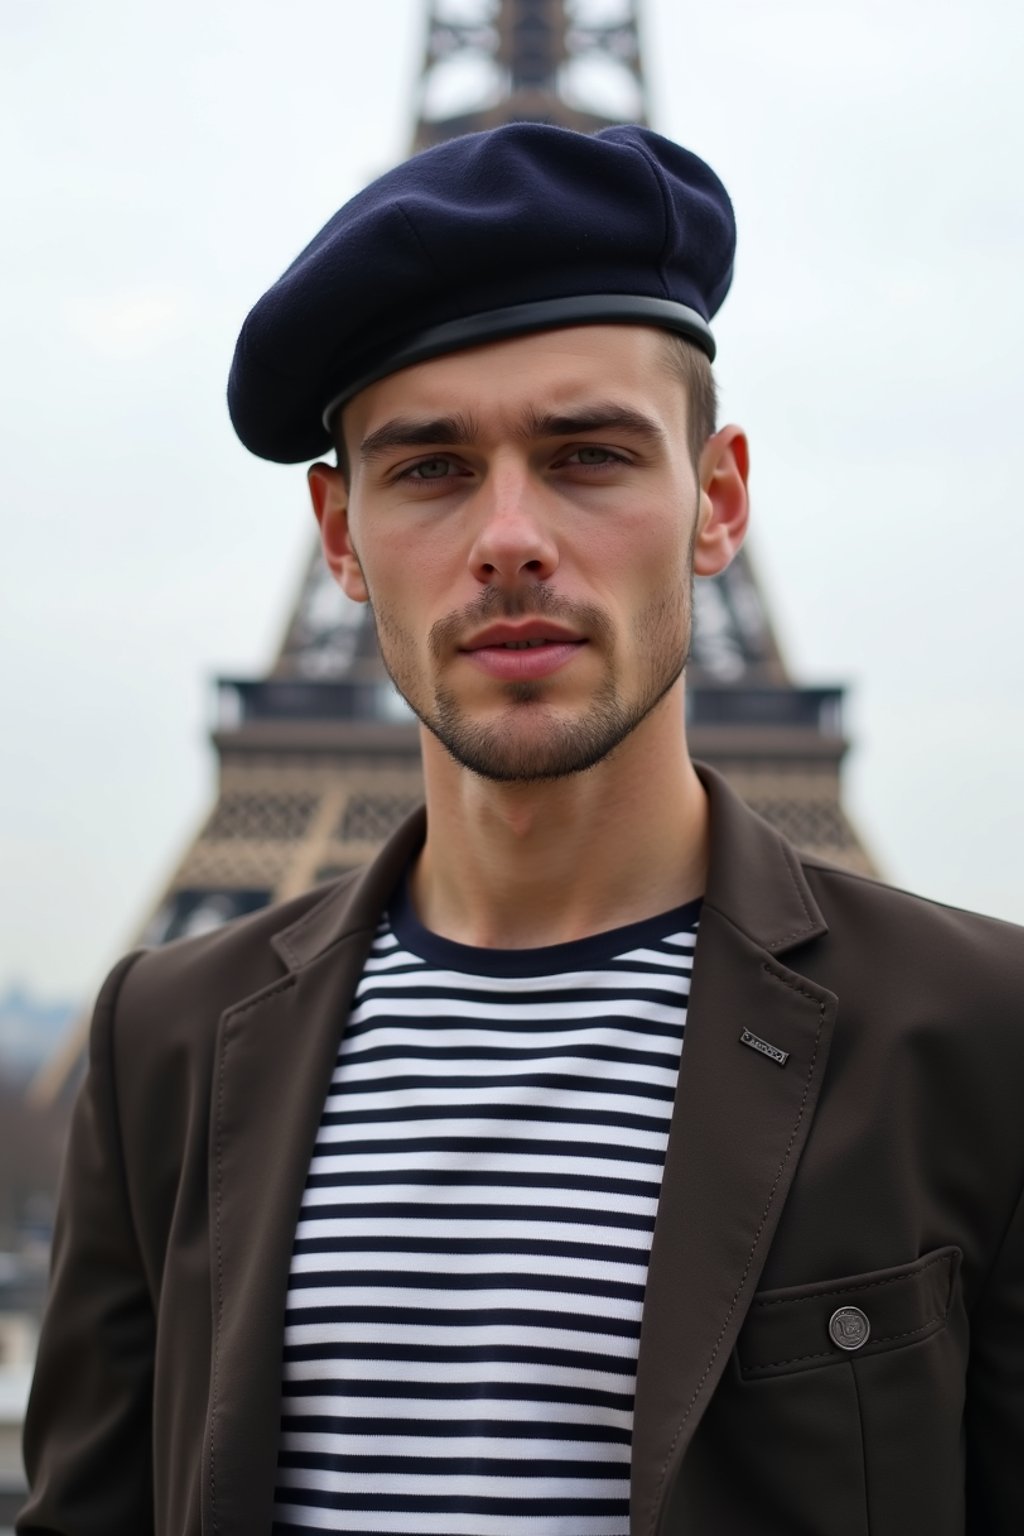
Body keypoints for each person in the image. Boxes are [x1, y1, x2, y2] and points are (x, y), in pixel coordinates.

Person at [19, 123, 1024, 1536]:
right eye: (429, 469)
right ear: (341, 535)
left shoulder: (984, 1042)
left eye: (589, 455)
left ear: (718, 500)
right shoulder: (164, 1045)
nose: (510, 537)